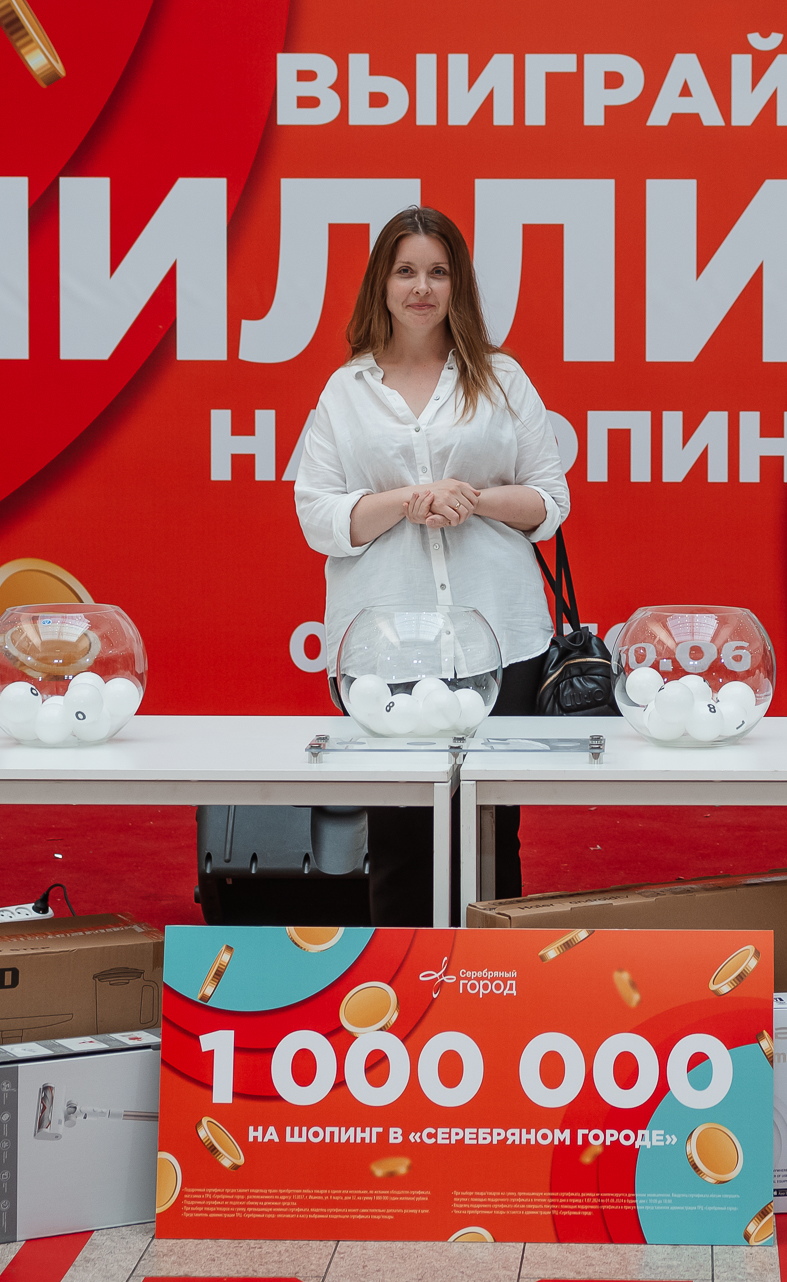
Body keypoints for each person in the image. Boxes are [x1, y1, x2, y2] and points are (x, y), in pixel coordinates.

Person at [294, 206, 570, 926]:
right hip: (384, 646)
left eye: (438, 272)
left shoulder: (502, 379)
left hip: (502, 636)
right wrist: (407, 502)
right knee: (399, 834)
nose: (422, 288)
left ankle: (493, 977)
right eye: (406, 271)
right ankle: (402, 982)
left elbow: (549, 501)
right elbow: (318, 516)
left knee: (491, 830)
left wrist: (469, 499)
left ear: (459, 285)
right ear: (381, 285)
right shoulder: (345, 391)